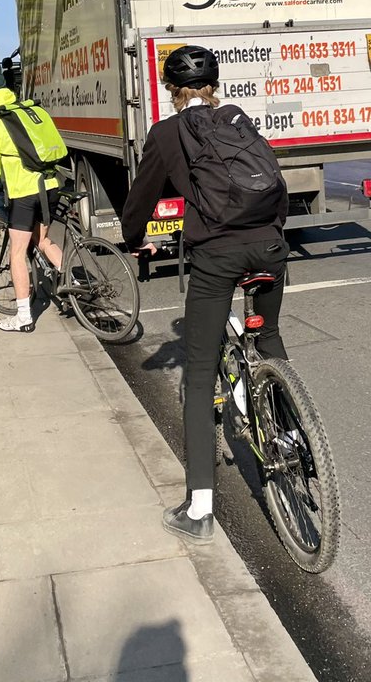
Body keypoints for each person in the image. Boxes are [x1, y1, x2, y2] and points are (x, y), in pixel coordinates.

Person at [120, 45, 289, 544]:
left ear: (171, 90)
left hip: (217, 257)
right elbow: (270, 182)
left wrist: (134, 241)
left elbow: (141, 199)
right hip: (270, 246)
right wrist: (271, 240)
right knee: (269, 335)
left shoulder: (167, 133)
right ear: (215, 83)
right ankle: (289, 430)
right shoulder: (237, 118)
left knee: (199, 374)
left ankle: (198, 509)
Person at [0, 68, 65, 333]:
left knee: (17, 253)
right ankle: (73, 286)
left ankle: (23, 316)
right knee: (43, 240)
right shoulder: (33, 110)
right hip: (51, 184)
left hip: (24, 193)